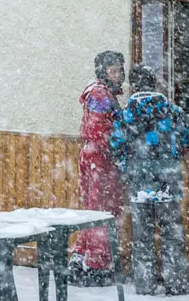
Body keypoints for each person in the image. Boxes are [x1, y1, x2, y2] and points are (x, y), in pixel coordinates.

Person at [109, 64, 189, 295]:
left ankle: (145, 284)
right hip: (167, 181)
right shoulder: (172, 111)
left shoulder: (125, 116)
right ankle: (176, 282)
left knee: (142, 236)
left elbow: (116, 147)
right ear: (154, 83)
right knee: (172, 233)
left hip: (139, 183)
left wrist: (128, 169)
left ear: (134, 86)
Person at [70, 50, 125, 286]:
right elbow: (99, 130)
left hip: (95, 157)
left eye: (119, 70)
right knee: (102, 212)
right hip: (101, 159)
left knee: (94, 210)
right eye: (113, 71)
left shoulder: (99, 93)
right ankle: (96, 265)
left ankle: (80, 257)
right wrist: (119, 140)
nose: (118, 75)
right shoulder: (101, 96)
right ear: (103, 72)